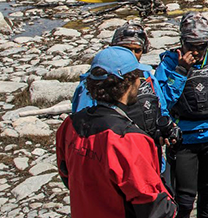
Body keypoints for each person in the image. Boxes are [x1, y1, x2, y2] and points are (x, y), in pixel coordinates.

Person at [56, 46, 176, 218]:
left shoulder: (70, 125)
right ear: (128, 83)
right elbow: (151, 204)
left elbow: (66, 174)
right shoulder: (128, 139)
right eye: (138, 76)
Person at [157, 12, 208, 218]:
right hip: (184, 138)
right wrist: (180, 71)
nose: (196, 52)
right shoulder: (169, 64)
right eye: (190, 46)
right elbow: (162, 101)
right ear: (182, 42)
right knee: (184, 197)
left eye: (201, 46)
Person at [72, 23, 178, 185]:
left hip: (152, 162)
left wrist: (165, 130)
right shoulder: (95, 84)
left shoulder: (147, 77)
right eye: (126, 49)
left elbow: (161, 108)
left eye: (137, 50)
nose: (133, 55)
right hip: (114, 169)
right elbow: (83, 130)